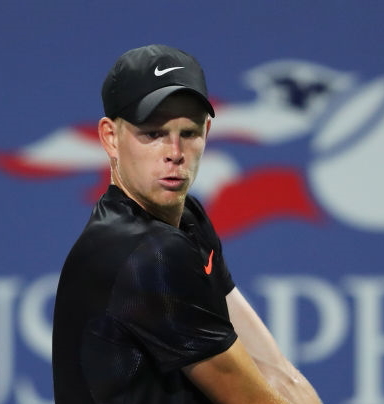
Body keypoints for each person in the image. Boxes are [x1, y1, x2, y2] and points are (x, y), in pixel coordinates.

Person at [52, 44, 322, 404]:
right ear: (110, 138)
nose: (175, 153)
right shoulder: (149, 254)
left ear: (207, 133)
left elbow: (277, 370)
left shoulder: (187, 221)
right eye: (152, 133)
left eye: (189, 133)